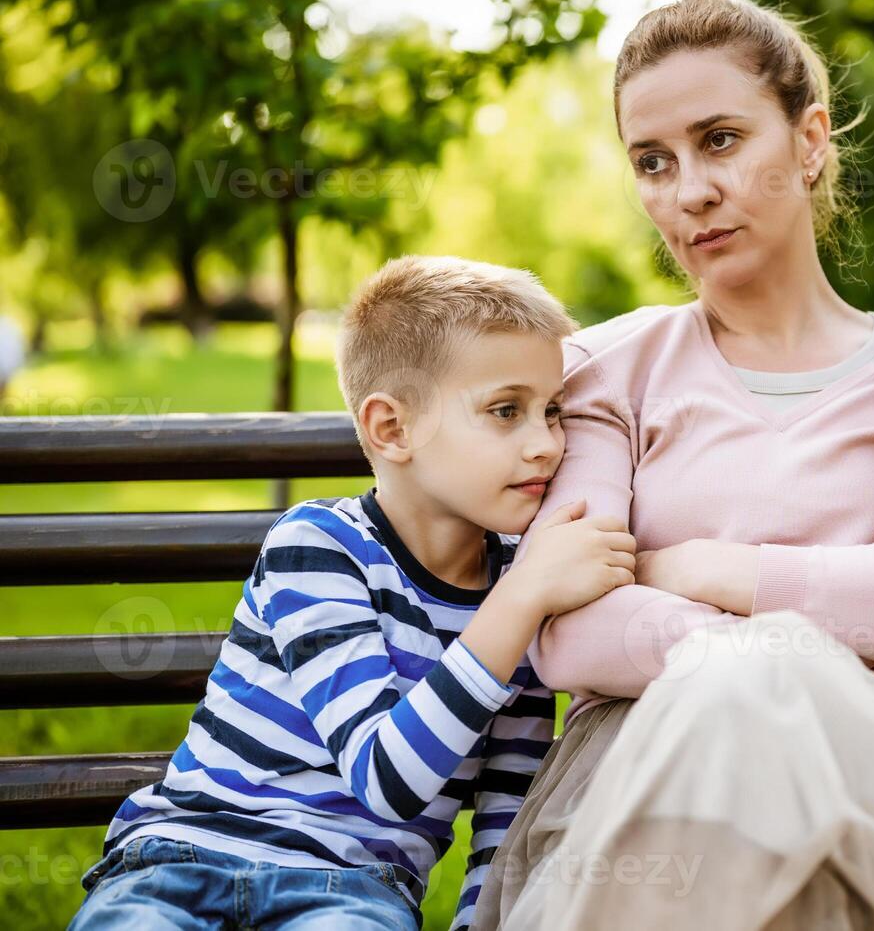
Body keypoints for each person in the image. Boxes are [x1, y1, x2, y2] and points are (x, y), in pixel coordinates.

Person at [472, 0, 874, 931]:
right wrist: (763, 653)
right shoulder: (604, 371)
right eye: (652, 163)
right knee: (748, 692)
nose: (689, 190)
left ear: (811, 139)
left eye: (721, 140)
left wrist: (713, 572)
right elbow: (568, 629)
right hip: (636, 784)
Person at [69, 256, 638, 931]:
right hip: (182, 862)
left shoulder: (528, 591)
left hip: (352, 894)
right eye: (506, 411)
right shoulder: (318, 546)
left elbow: (505, 822)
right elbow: (384, 779)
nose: (546, 444)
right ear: (392, 429)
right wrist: (520, 600)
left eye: (552, 411)